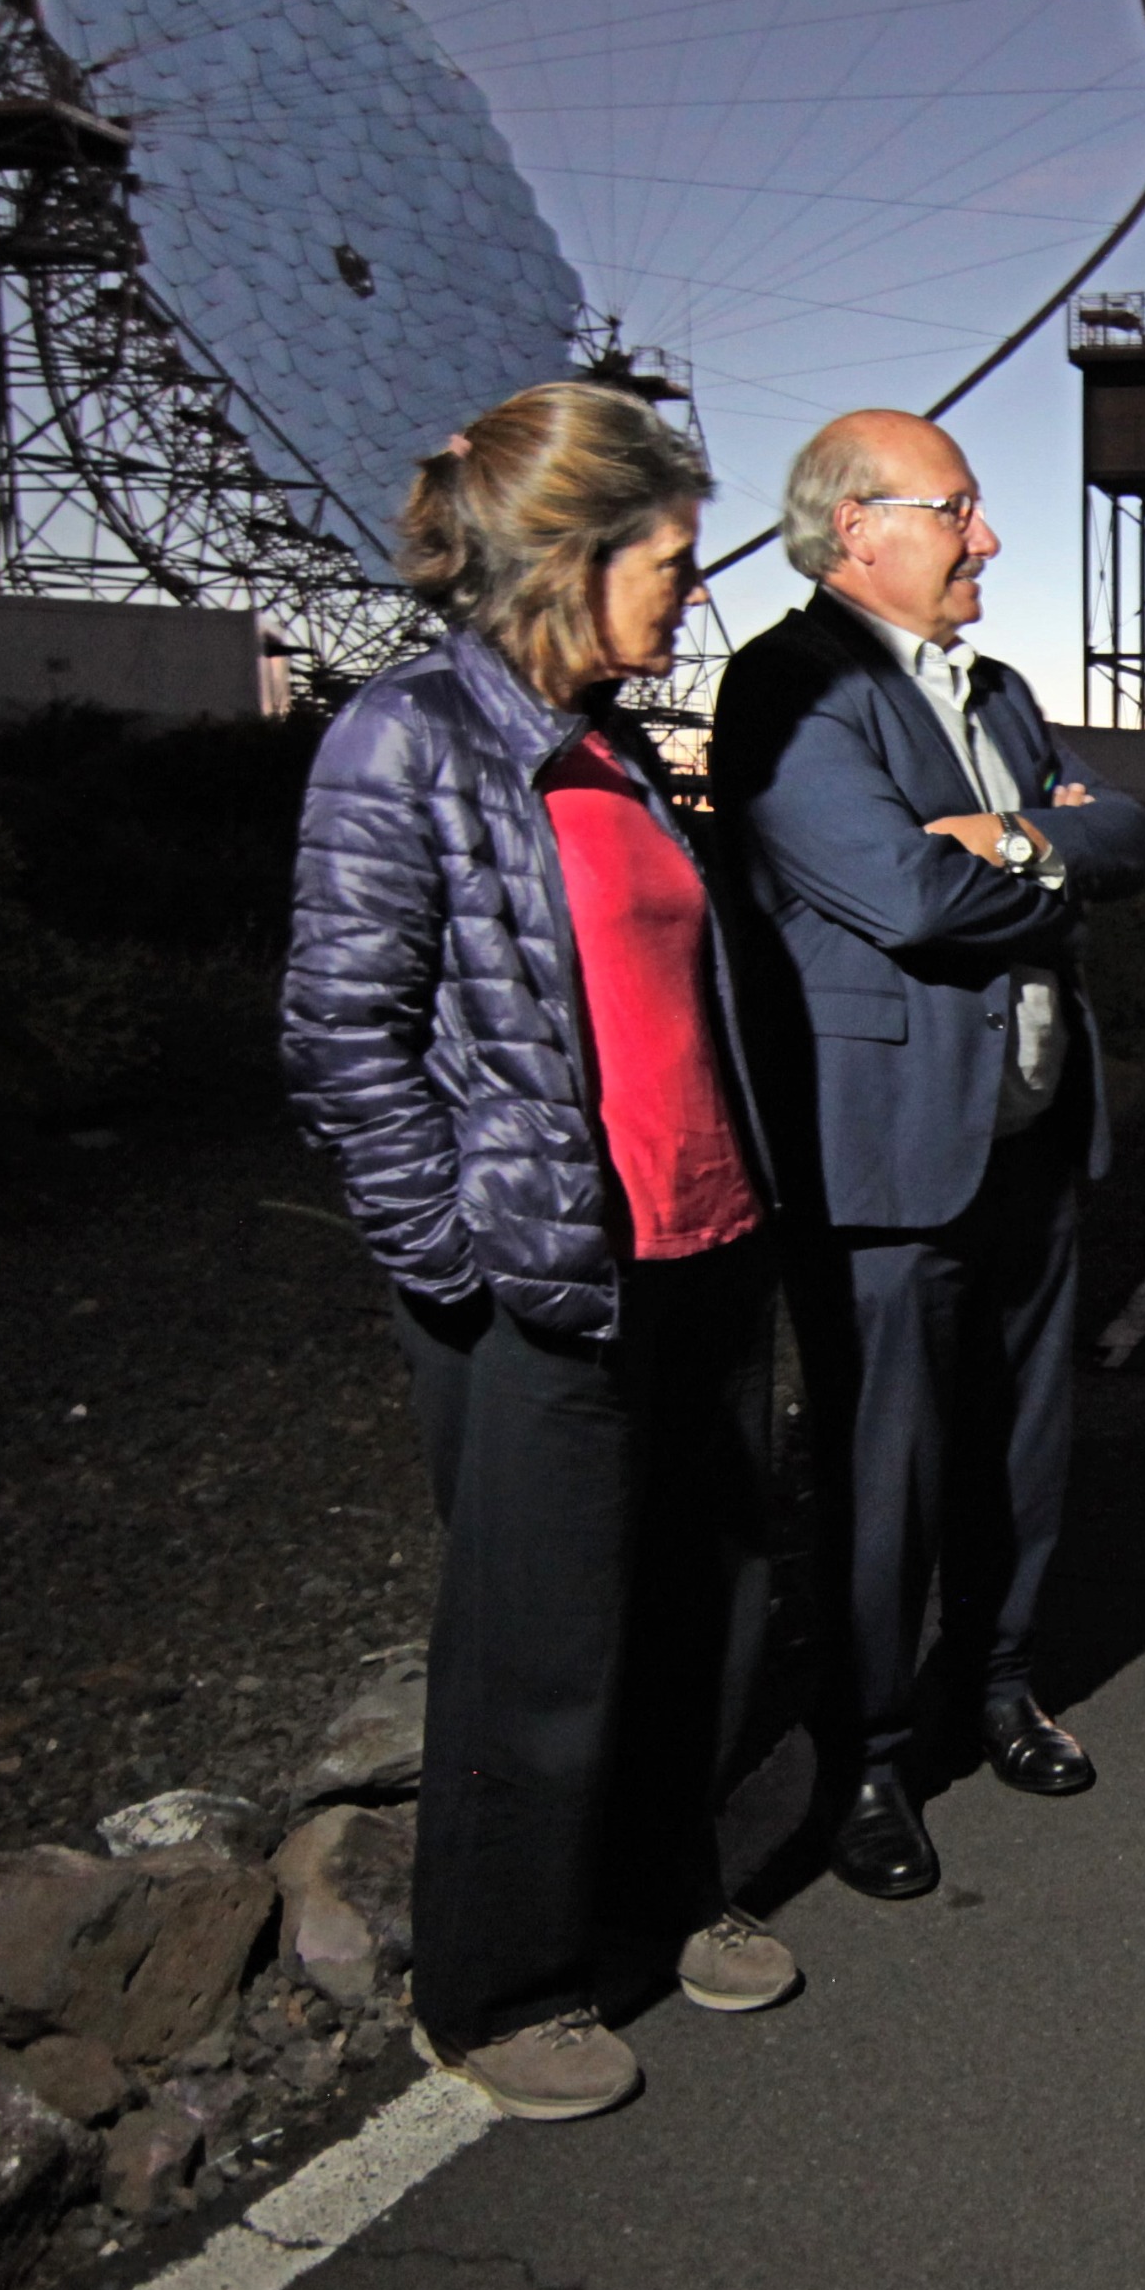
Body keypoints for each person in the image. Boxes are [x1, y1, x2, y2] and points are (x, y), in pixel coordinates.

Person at [281, 381, 794, 2125]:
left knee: (701, 1600)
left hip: (698, 1244)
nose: (686, 593)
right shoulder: (405, 738)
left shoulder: (619, 746)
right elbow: (342, 1034)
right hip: (542, 1275)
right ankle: (502, 1983)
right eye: (667, 558)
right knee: (543, 1636)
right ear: (571, 557)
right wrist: (456, 1262)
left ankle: (665, 1897)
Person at [708, 409, 1145, 1902]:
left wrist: (1016, 838)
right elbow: (902, 896)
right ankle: (870, 1755)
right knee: (882, 1467)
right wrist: (1041, 853)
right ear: (860, 528)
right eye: (961, 508)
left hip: (1029, 1138)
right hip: (891, 1158)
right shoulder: (791, 685)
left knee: (1022, 1447)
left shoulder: (1005, 690)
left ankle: (1000, 1685)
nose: (990, 538)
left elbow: (1130, 838)